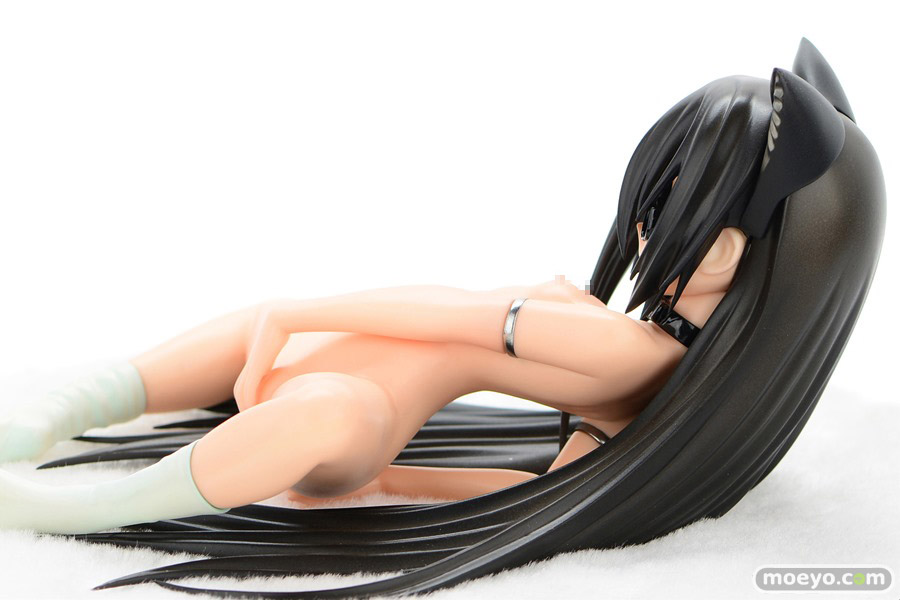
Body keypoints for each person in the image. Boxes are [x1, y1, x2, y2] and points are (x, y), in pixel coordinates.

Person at [0, 38, 885, 597]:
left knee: (314, 397)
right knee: (272, 343)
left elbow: (453, 317)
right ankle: (69, 408)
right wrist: (396, 475)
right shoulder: (653, 358)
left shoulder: (621, 348)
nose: (646, 224)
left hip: (353, 416)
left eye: (668, 201)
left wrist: (301, 315)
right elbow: (548, 484)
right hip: (343, 386)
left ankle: (89, 511)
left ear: (722, 251)